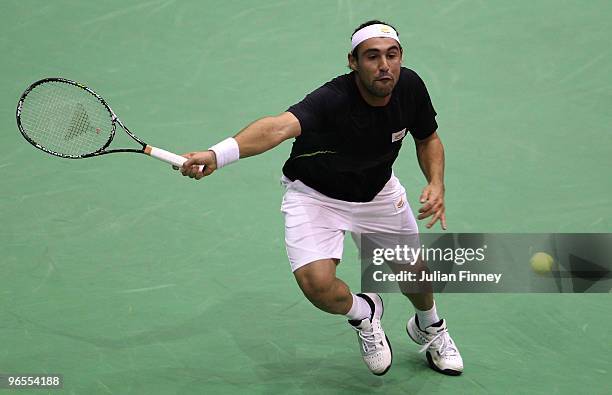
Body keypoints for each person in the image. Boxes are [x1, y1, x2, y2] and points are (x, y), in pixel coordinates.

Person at [179, 20, 463, 376]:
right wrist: (217, 154)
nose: (384, 65)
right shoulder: (333, 100)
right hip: (316, 196)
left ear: (401, 57)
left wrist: (436, 183)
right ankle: (364, 313)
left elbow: (428, 139)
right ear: (353, 61)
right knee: (317, 285)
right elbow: (277, 127)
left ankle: (429, 326)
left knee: (414, 275)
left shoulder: (411, 87)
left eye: (391, 55)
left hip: (376, 192)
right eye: (372, 56)